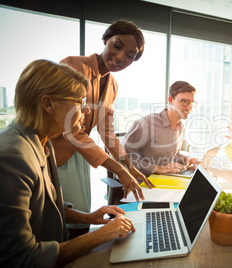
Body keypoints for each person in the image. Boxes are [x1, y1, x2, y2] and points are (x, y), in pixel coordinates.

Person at [0, 60, 136, 267]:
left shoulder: (42, 142)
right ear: (48, 104)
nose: (87, 111)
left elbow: (44, 206)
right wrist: (101, 235)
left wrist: (89, 217)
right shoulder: (14, 157)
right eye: (80, 101)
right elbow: (22, 258)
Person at [51, 20, 154, 238]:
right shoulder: (74, 66)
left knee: (79, 221)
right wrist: (119, 171)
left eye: (130, 55)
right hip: (52, 151)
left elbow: (107, 131)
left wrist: (128, 165)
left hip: (79, 153)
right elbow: (70, 128)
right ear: (105, 39)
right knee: (56, 219)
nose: (120, 57)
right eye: (117, 45)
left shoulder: (113, 85)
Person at [121, 81, 199, 177]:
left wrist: (187, 159)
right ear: (170, 100)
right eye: (184, 102)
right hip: (142, 181)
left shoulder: (180, 127)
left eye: (191, 102)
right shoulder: (147, 124)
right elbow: (123, 156)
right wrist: (158, 168)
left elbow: (171, 155)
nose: (188, 108)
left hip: (165, 179)